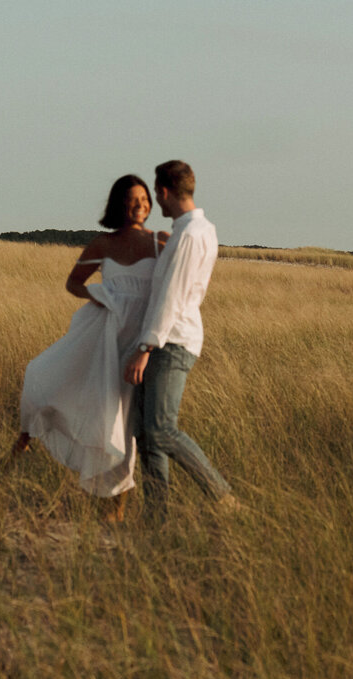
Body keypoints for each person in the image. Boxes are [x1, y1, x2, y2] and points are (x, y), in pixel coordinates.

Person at [15, 175, 164, 514]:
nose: (139, 205)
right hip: (104, 336)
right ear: (118, 205)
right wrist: (100, 296)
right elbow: (73, 283)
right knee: (43, 377)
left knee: (125, 422)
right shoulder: (103, 244)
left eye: (144, 199)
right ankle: (25, 437)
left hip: (139, 342)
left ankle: (118, 508)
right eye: (131, 200)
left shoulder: (160, 242)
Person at [123, 160, 235, 515]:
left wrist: (145, 346)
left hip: (172, 341)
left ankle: (222, 496)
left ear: (166, 192)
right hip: (167, 337)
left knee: (160, 430)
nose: (157, 201)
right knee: (145, 432)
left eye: (157, 193)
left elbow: (171, 296)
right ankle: (156, 517)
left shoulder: (189, 234)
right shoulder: (202, 229)